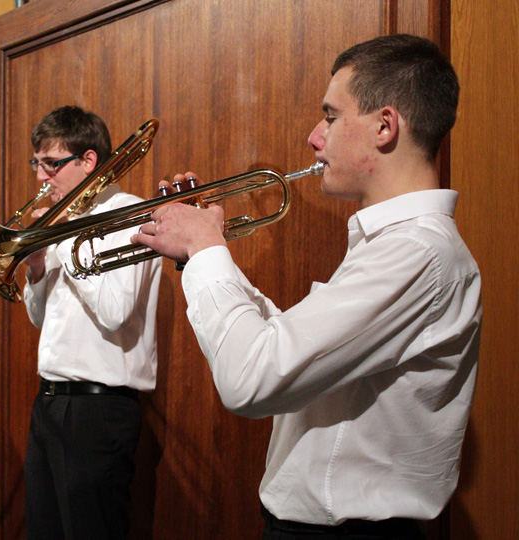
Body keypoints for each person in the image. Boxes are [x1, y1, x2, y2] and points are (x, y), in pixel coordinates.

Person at [132, 34, 481, 540]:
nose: (315, 137)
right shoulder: (396, 246)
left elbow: (252, 379)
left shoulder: (416, 253)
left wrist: (207, 249)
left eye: (331, 117)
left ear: (385, 126)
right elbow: (286, 352)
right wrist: (197, 254)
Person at [21, 105, 162, 540]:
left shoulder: (130, 214)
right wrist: (36, 268)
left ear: (88, 161)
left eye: (51, 164)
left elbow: (115, 312)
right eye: (36, 164)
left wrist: (64, 240)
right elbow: (40, 319)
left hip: (98, 410)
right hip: (49, 401)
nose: (41, 177)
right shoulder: (63, 220)